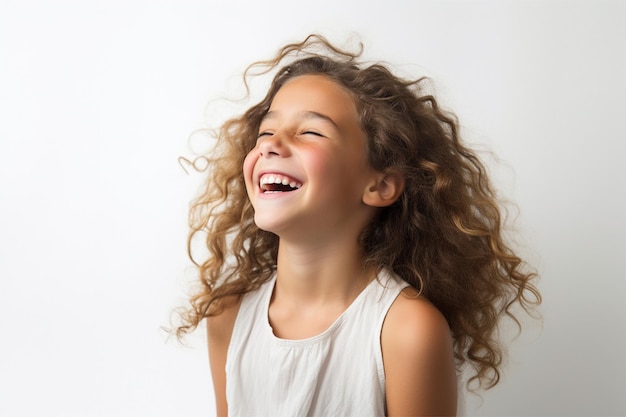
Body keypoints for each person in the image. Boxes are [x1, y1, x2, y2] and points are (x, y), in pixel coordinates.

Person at [174, 34, 541, 417]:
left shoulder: (407, 332)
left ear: (379, 185)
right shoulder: (228, 319)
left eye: (310, 132)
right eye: (266, 132)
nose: (270, 144)